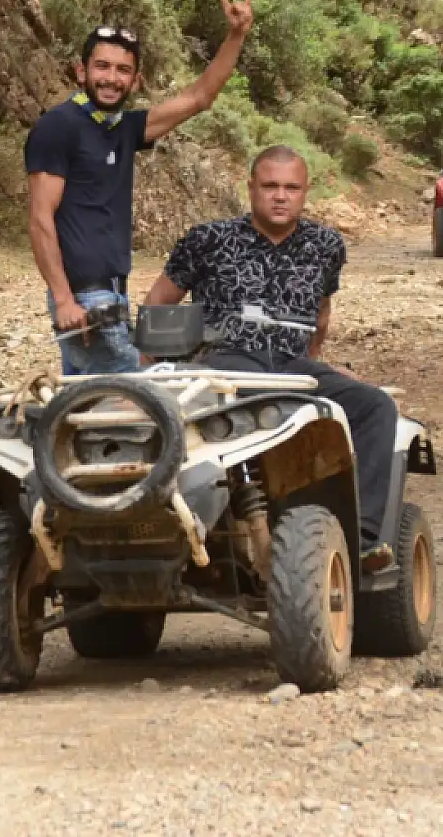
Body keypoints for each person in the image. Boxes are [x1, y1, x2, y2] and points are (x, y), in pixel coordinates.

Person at [145, 146, 400, 573]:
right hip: (225, 365)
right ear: (251, 188)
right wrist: (148, 377)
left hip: (292, 366)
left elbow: (320, 314)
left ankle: (363, 542)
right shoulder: (207, 240)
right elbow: (156, 308)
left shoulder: (326, 245)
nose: (280, 196)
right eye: (270, 186)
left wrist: (317, 364)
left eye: (290, 187)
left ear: (304, 192)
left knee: (376, 407)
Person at [26, 0, 255, 375]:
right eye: (102, 67)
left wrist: (236, 35)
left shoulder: (123, 129)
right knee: (137, 400)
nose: (111, 78)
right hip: (85, 296)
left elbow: (199, 97)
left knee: (90, 405)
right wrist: (64, 299)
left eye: (123, 70)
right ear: (81, 71)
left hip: (112, 289)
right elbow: (39, 219)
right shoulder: (58, 127)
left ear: (136, 80)